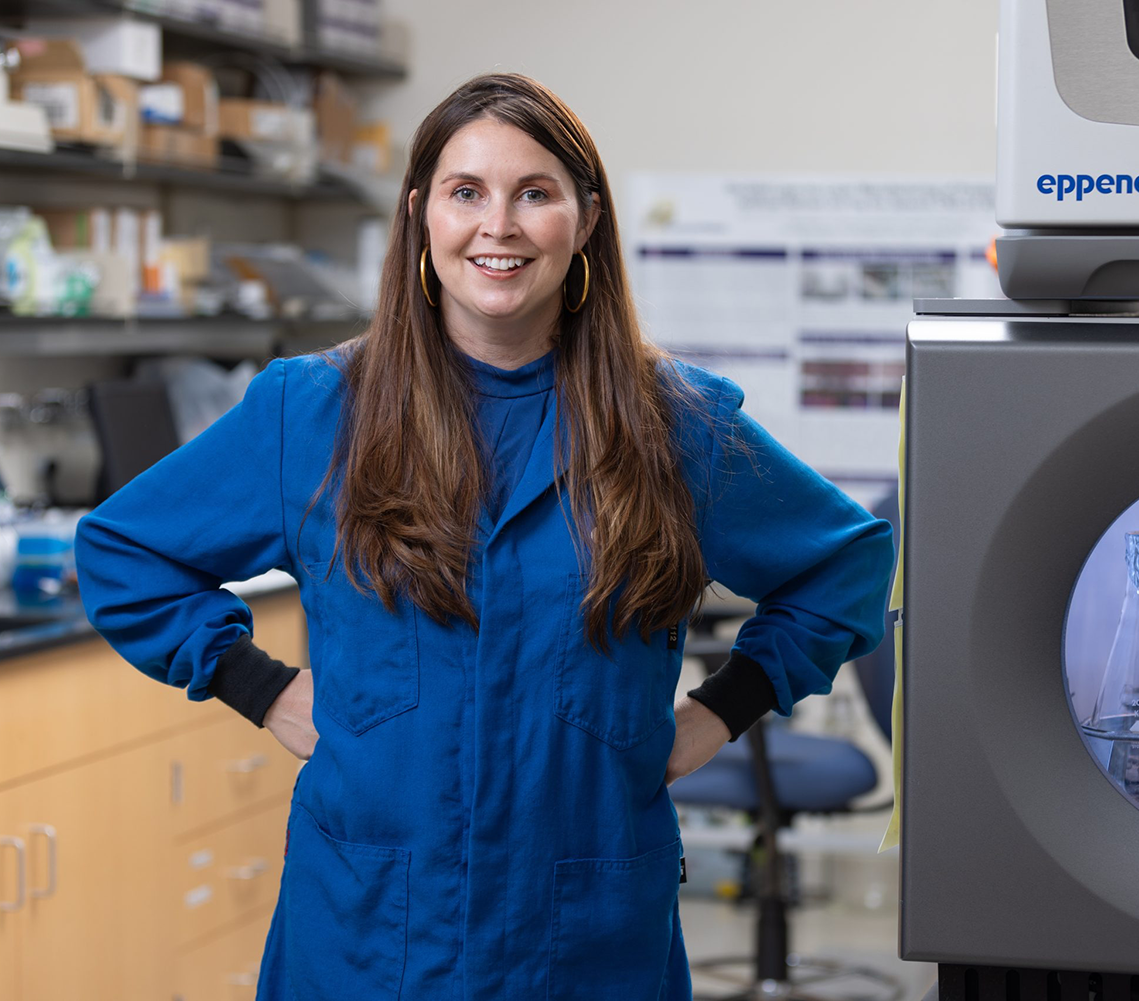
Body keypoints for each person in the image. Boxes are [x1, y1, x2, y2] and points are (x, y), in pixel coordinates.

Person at [75, 73, 895, 1001]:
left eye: (534, 193)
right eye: (467, 192)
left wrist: (722, 710)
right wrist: (256, 685)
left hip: (584, 929)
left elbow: (846, 562)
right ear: (422, 215)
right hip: (371, 930)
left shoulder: (675, 425)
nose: (496, 226)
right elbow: (124, 549)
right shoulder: (312, 412)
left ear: (585, 220)